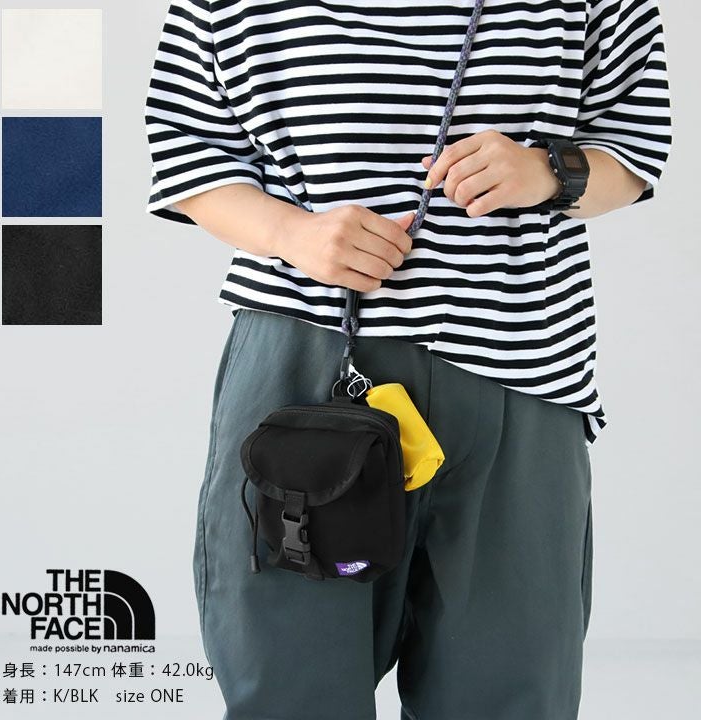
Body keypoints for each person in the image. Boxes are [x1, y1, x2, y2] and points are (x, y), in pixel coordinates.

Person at [144, 1, 672, 718]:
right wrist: (291, 233)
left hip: (520, 374)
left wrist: (549, 172)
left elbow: (634, 150)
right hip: (304, 370)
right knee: (290, 686)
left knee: (508, 693)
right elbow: (188, 152)